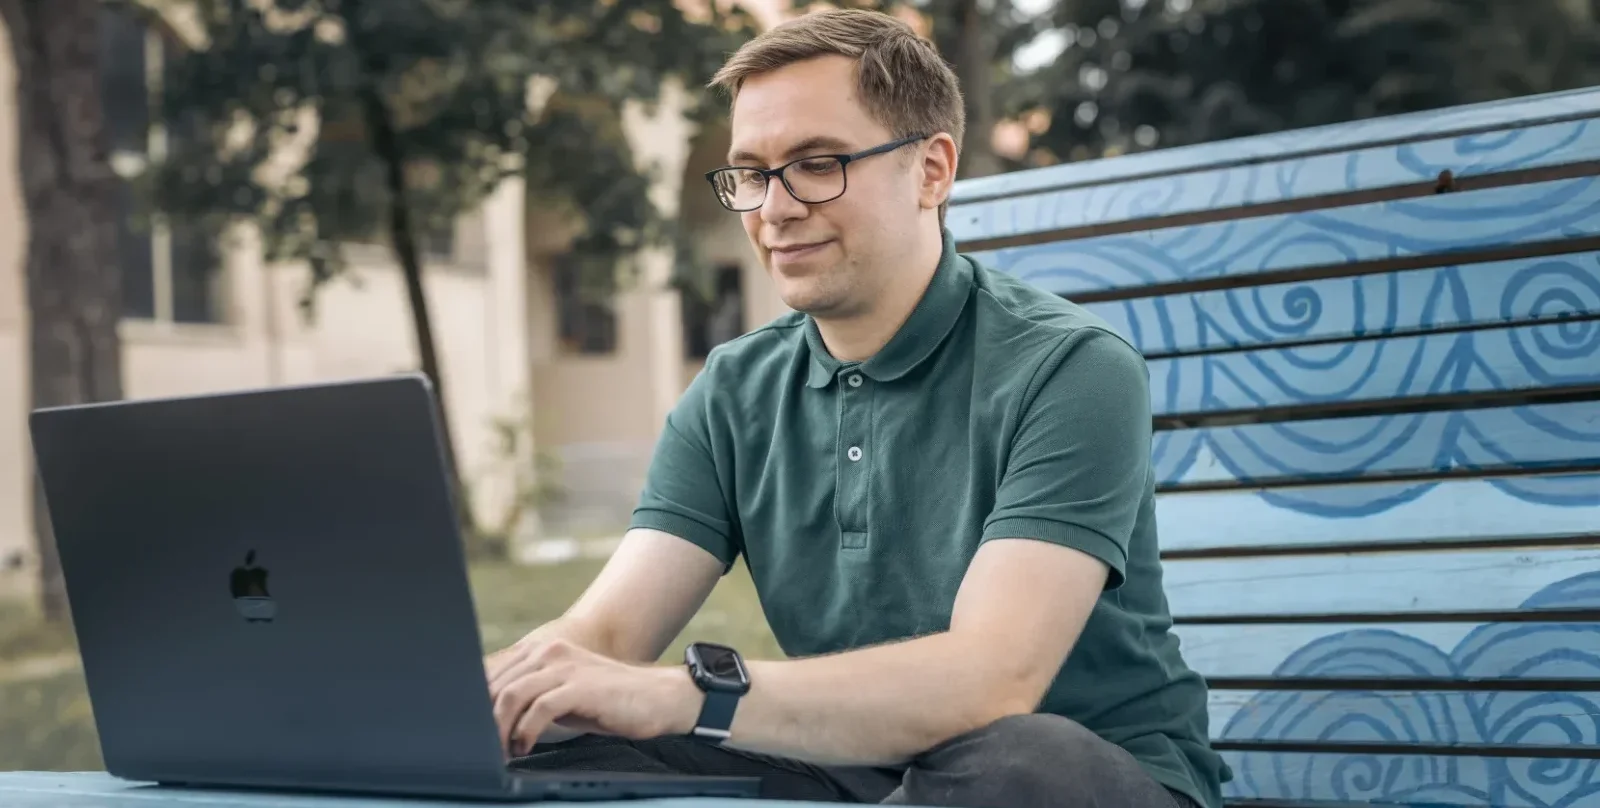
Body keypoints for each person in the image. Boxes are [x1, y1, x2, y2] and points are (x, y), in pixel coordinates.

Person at [484, 8, 1229, 807]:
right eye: (751, 173)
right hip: (858, 772)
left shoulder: (1071, 368)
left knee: (1015, 760)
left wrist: (696, 695)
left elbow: (992, 678)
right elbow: (605, 636)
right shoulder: (733, 391)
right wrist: (482, 700)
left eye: (816, 164)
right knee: (555, 757)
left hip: (1080, 777)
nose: (773, 210)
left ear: (932, 171)